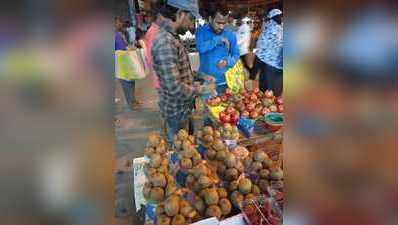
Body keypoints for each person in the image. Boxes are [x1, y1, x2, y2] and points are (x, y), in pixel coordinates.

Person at [151, 0, 213, 145]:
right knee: (180, 152)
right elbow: (175, 87)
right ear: (180, 14)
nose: (192, 26)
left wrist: (201, 76)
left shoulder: (172, 37)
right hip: (175, 112)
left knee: (187, 144)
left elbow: (181, 71)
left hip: (183, 108)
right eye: (191, 19)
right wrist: (203, 89)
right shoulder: (165, 42)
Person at [195, 5, 240, 94]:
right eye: (218, 23)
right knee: (206, 107)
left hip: (225, 82)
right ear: (210, 19)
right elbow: (201, 48)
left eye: (224, 23)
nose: (221, 27)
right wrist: (218, 39)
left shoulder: (230, 34)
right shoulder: (201, 31)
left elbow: (236, 55)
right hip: (206, 82)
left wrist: (227, 62)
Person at [250, 9, 283, 96]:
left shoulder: (269, 30)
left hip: (268, 66)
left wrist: (253, 74)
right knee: (276, 93)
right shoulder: (282, 30)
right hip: (280, 66)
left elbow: (260, 47)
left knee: (266, 92)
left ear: (270, 18)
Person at [114, 16, 141, 110]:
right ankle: (131, 103)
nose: (121, 24)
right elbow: (120, 49)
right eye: (119, 22)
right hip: (121, 63)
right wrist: (128, 48)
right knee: (126, 84)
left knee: (131, 81)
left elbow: (124, 46)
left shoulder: (119, 33)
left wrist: (130, 47)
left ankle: (133, 100)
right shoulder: (113, 35)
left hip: (127, 61)